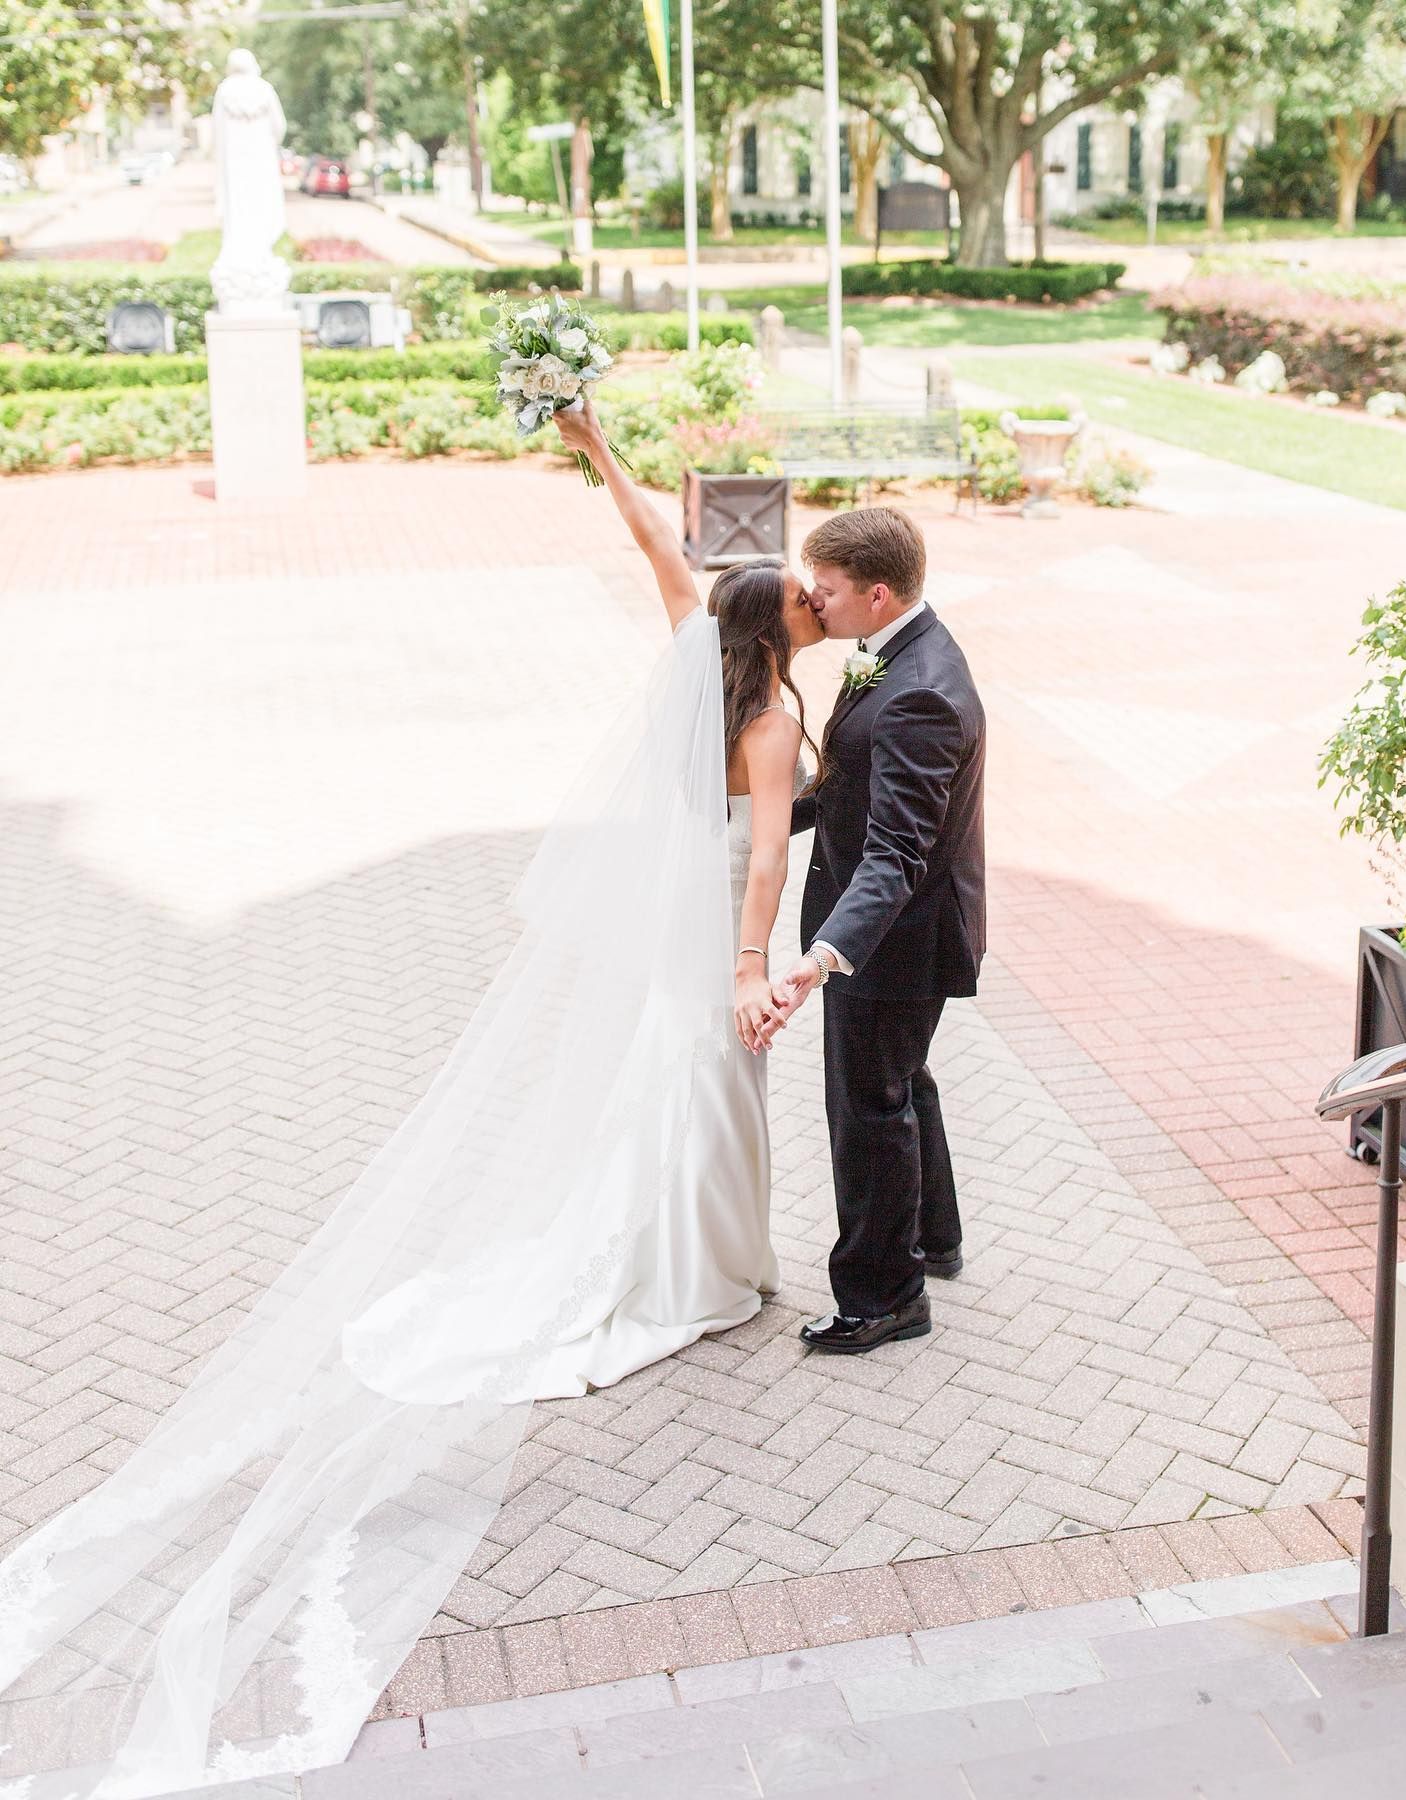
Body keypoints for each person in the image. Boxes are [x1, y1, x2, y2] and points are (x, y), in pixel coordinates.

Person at [0, 403, 824, 1800]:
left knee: (674, 1085)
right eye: (803, 595)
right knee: (715, 1085)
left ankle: (697, 1255)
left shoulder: (702, 650)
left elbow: (649, 539)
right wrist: (756, 966)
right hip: (716, 925)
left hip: (670, 908)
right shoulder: (765, 720)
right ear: (778, 625)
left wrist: (594, 441)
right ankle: (702, 1270)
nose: (813, 601)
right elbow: (762, 872)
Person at [762, 506, 986, 1355]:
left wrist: (822, 957)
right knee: (901, 1083)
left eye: (826, 592)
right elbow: (856, 789)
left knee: (868, 1107)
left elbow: (895, 851)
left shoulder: (919, 693)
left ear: (879, 594)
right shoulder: (902, 654)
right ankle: (933, 1239)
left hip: (896, 937)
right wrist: (763, 815)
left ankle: (884, 1297)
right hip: (901, 924)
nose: (814, 606)